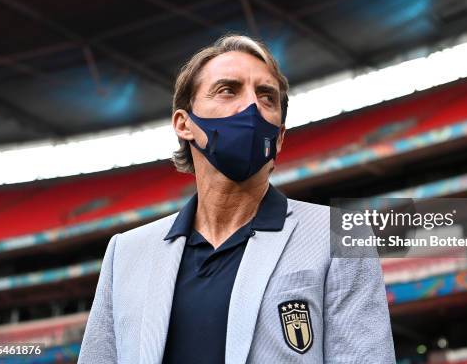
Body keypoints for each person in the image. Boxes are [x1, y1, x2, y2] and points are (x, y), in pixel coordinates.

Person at [78, 34, 395, 363]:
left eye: (266, 96)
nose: (252, 107)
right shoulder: (125, 254)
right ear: (184, 124)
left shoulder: (340, 234)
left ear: (281, 138)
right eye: (228, 90)